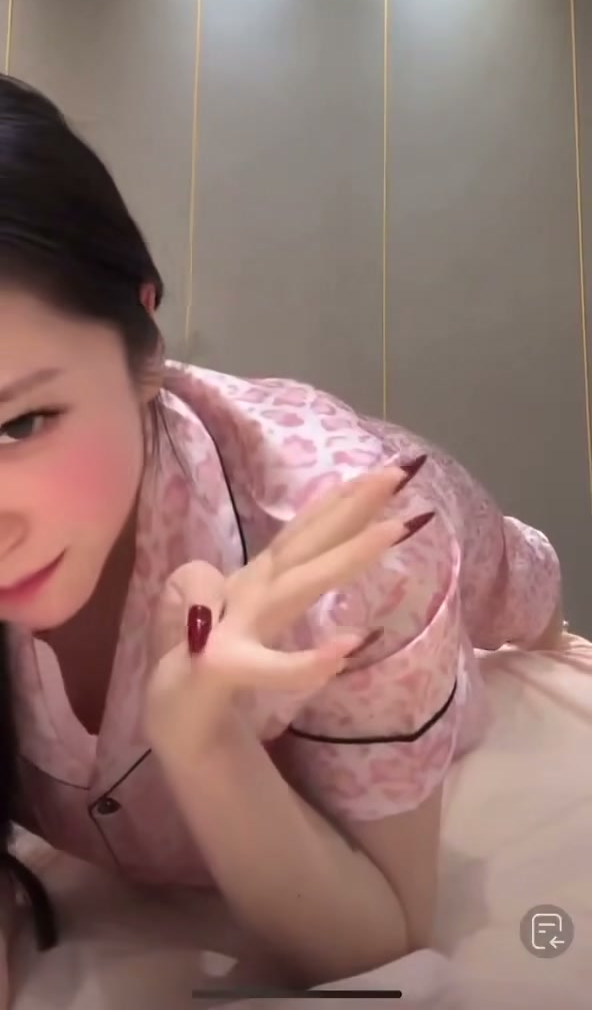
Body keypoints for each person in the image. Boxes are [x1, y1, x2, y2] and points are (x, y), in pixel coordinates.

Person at [0, 72, 563, 996]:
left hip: (427, 531)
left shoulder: (347, 533)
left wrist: (207, 744)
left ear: (143, 339)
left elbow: (382, 938)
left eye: (20, 424)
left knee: (523, 592)